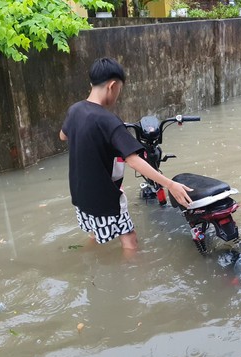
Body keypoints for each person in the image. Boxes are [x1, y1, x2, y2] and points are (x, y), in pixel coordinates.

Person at [60, 57, 193, 256]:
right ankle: (132, 278)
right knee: (129, 239)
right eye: (119, 90)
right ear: (112, 86)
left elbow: (63, 135)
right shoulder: (108, 121)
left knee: (95, 231)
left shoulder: (75, 110)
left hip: (80, 194)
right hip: (105, 197)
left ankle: (85, 253)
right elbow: (134, 161)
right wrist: (170, 184)